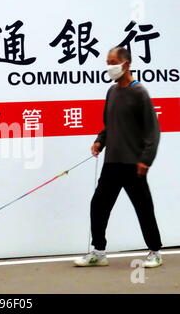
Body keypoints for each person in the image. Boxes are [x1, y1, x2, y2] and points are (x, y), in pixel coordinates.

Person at [74, 46, 163, 268]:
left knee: (143, 208)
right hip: (112, 163)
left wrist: (146, 159)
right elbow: (109, 124)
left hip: (134, 164)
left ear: (126, 64)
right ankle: (99, 252)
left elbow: (153, 130)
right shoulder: (112, 91)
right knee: (99, 205)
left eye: (113, 62)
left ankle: (155, 251)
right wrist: (99, 141)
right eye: (107, 62)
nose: (109, 67)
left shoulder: (139, 92)